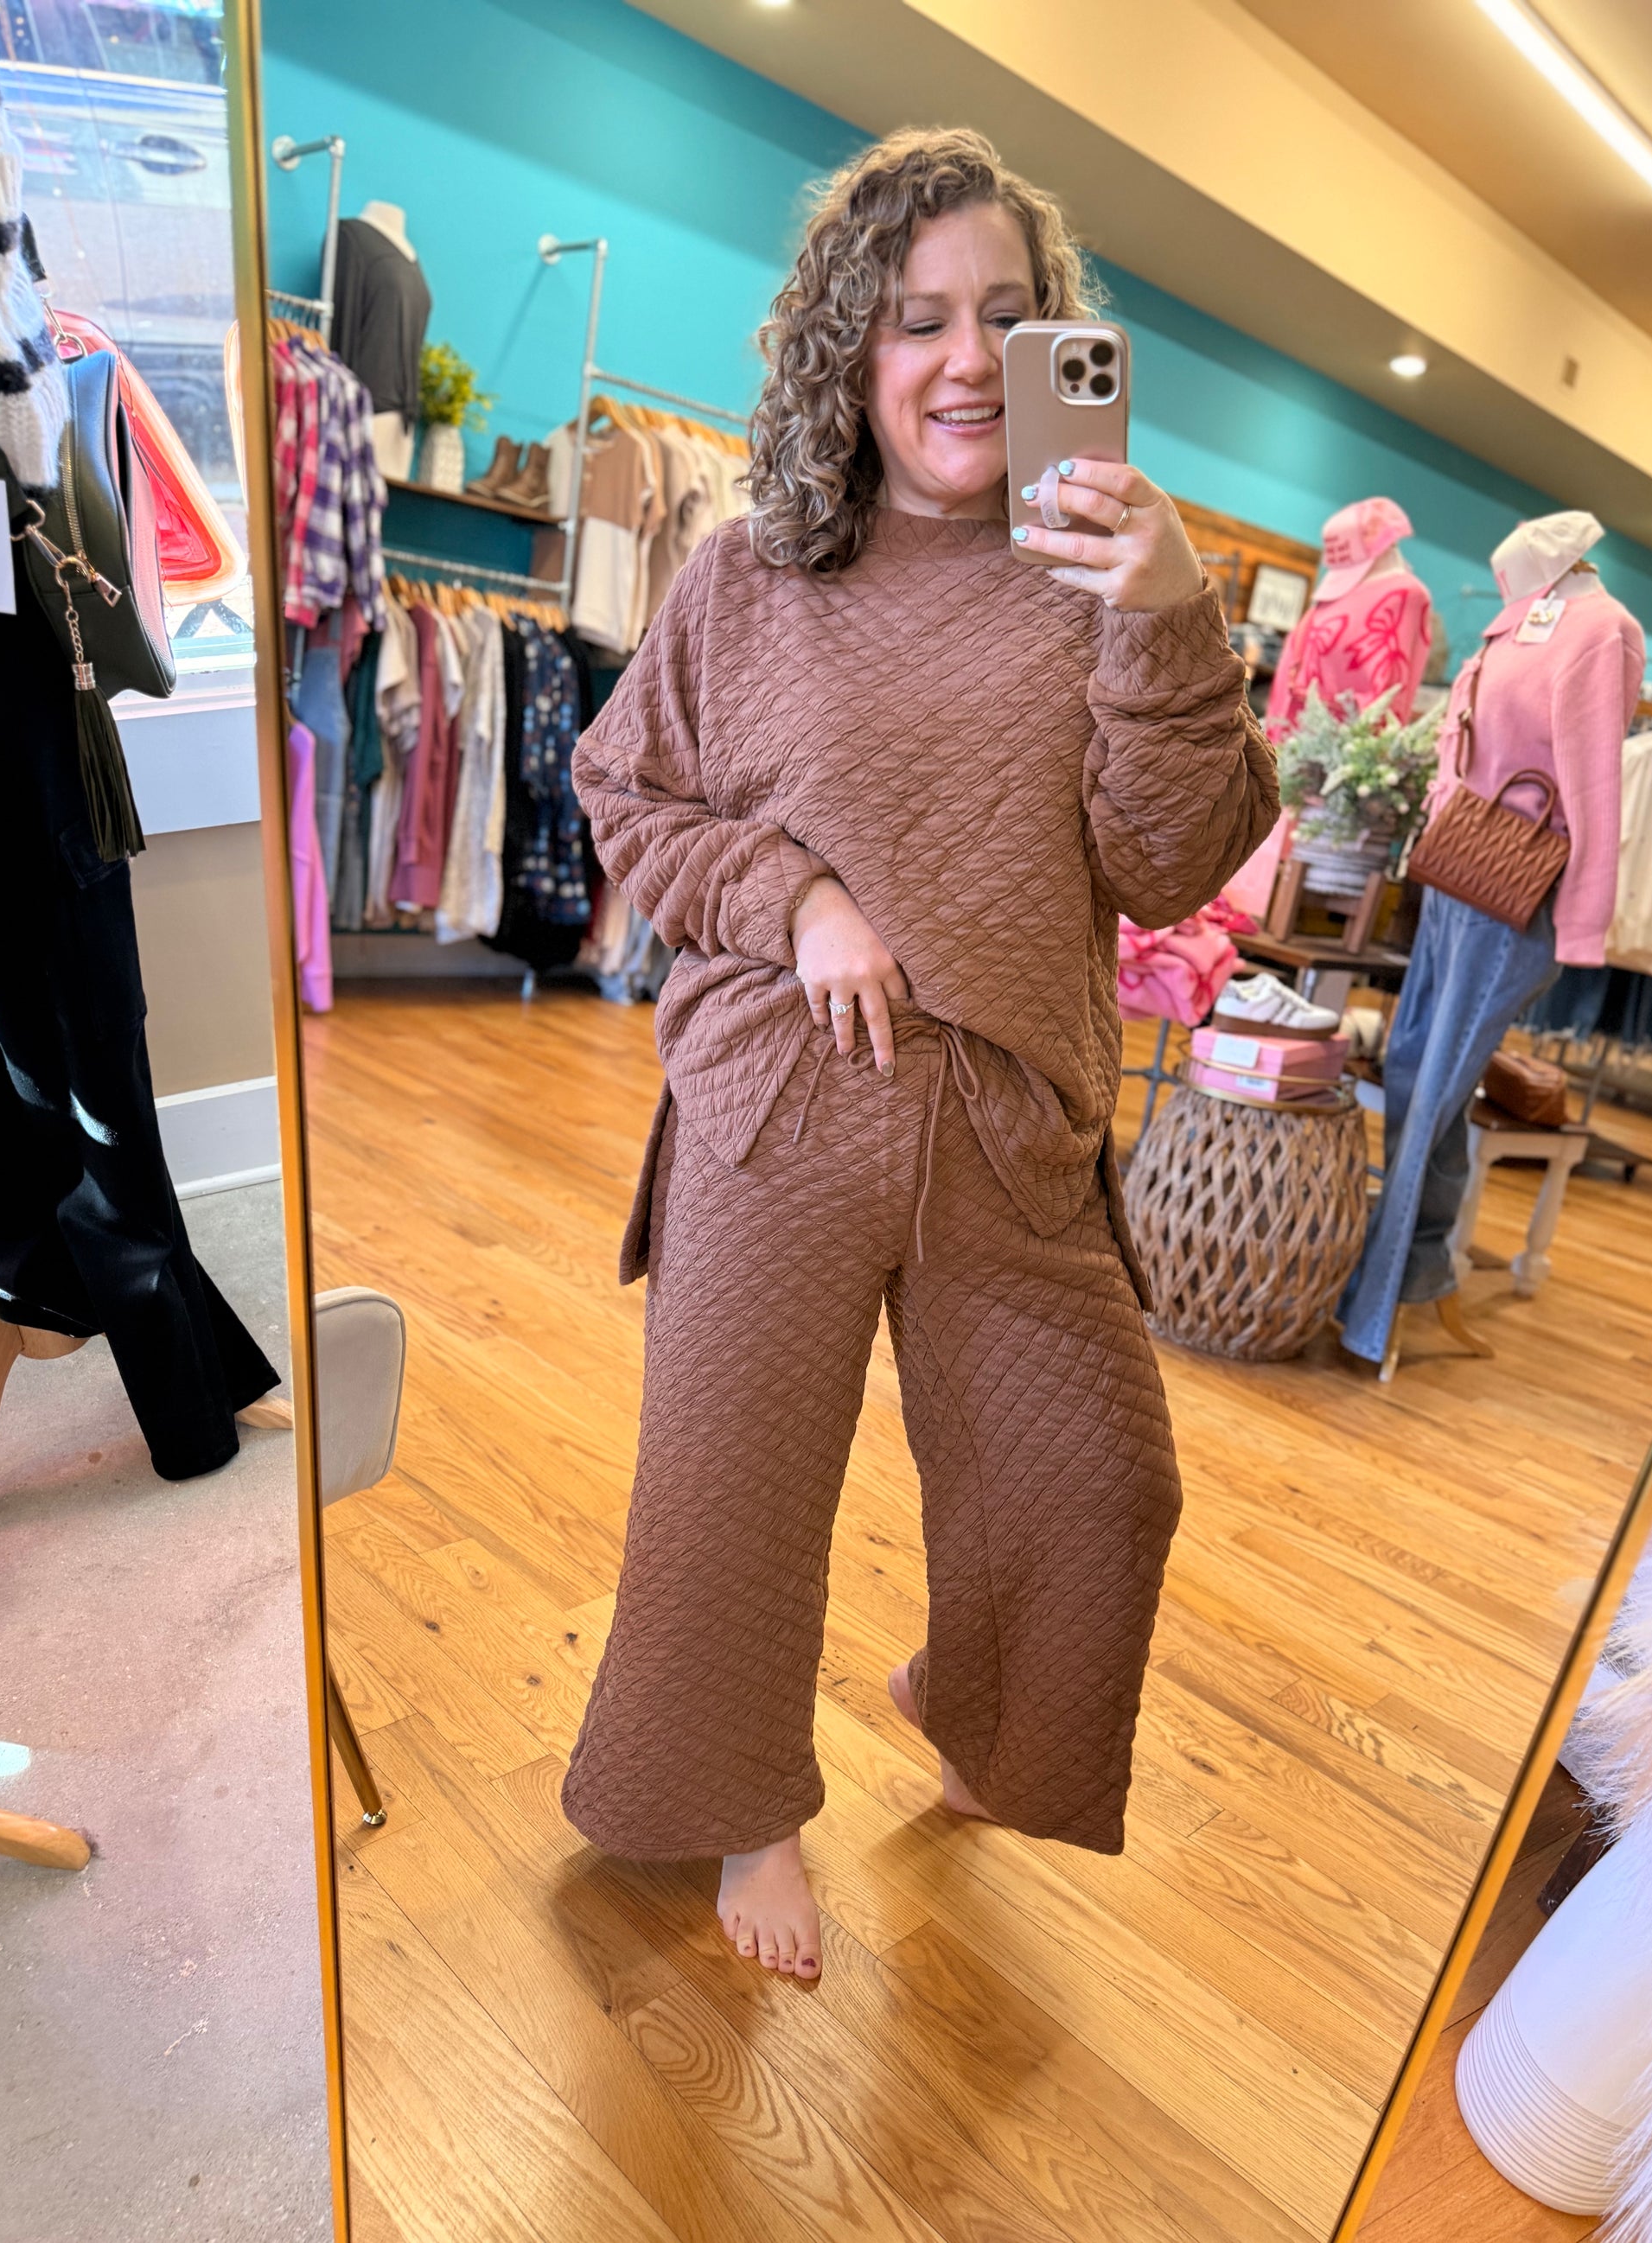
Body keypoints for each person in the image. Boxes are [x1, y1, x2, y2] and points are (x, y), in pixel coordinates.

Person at [563, 129, 1278, 1982]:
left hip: (1008, 1114)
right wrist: (790, 894)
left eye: (1009, 319)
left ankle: (969, 1696)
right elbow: (620, 788)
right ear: (846, 355)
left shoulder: (1107, 580)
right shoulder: (743, 574)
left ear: (1062, 351)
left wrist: (1164, 613)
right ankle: (742, 1808)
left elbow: (1169, 859)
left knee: (1100, 1478)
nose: (965, 360)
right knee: (734, 1477)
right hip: (779, 1087)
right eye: (915, 321)